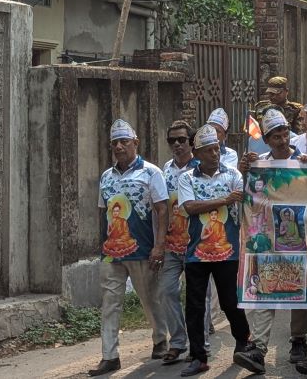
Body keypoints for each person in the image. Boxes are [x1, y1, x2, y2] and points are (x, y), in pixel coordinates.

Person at [235, 110, 307, 376]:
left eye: (284, 134)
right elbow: (246, 192)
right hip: (268, 238)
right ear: (267, 140)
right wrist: (244, 169)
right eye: (275, 136)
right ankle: (258, 347)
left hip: (300, 234)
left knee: (300, 291)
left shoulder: (303, 159)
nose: (282, 140)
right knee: (264, 287)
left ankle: (298, 340)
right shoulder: (259, 163)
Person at [90, 120, 170, 377]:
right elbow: (101, 212)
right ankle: (110, 356)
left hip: (142, 249)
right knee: (110, 303)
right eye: (115, 142)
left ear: (136, 143)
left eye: (124, 141)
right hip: (111, 252)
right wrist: (101, 244)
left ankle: (160, 339)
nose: (119, 146)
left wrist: (159, 246)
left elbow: (161, 209)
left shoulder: (151, 173)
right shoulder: (106, 176)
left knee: (150, 298)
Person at [177, 124, 251, 377]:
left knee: (231, 302)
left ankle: (243, 342)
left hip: (227, 251)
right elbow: (189, 206)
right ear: (197, 154)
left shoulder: (232, 175)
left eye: (217, 149)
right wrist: (223, 200)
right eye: (208, 150)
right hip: (196, 251)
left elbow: (244, 198)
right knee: (195, 305)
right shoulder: (186, 178)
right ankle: (198, 356)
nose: (214, 154)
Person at [157, 121, 199, 366]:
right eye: (172, 140)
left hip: (195, 243)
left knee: (196, 297)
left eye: (182, 140)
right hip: (172, 243)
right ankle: (177, 342)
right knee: (166, 291)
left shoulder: (201, 167)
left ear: (191, 142)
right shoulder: (165, 169)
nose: (177, 144)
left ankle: (197, 346)